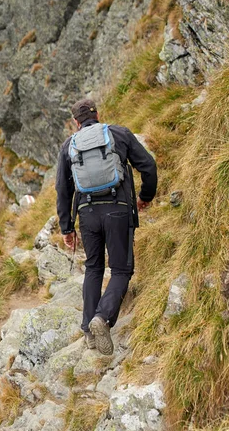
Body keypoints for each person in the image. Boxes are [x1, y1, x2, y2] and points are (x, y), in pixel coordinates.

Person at [55, 98, 157, 355]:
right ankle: (103, 318)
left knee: (93, 267)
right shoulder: (118, 133)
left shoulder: (70, 145)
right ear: (97, 115)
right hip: (117, 209)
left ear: (76, 122)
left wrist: (66, 228)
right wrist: (146, 196)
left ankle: (88, 328)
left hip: (87, 213)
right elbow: (148, 165)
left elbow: (62, 189)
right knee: (121, 269)